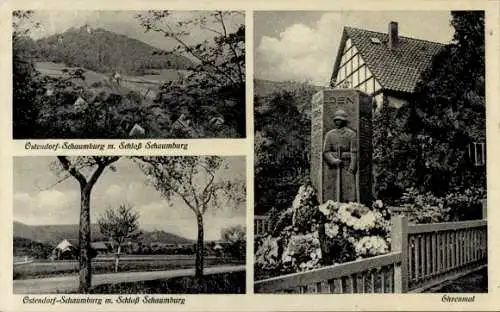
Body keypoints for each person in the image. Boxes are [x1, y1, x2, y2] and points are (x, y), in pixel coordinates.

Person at [323, 109, 358, 202]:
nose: (337, 121)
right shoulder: (329, 134)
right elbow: (326, 151)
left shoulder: (351, 134)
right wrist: (333, 160)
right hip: (333, 167)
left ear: (344, 121)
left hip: (346, 165)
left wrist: (352, 166)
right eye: (336, 120)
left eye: (339, 120)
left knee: (348, 189)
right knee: (332, 190)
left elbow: (354, 151)